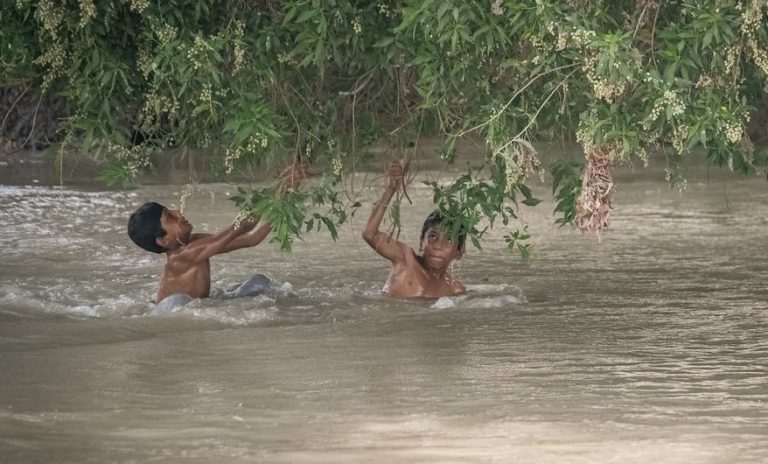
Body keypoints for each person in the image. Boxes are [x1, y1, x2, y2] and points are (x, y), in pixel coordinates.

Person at [127, 163, 304, 306]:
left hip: (189, 304)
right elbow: (239, 227)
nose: (179, 213)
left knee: (260, 282)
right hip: (170, 310)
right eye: (170, 217)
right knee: (178, 301)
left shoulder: (195, 243)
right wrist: (283, 185)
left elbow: (251, 238)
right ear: (163, 240)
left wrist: (286, 190)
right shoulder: (181, 257)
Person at [362, 160, 466, 298]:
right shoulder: (406, 259)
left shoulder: (455, 289)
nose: (438, 246)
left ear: (459, 252)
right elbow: (370, 234)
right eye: (433, 237)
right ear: (422, 242)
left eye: (448, 240)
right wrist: (390, 190)